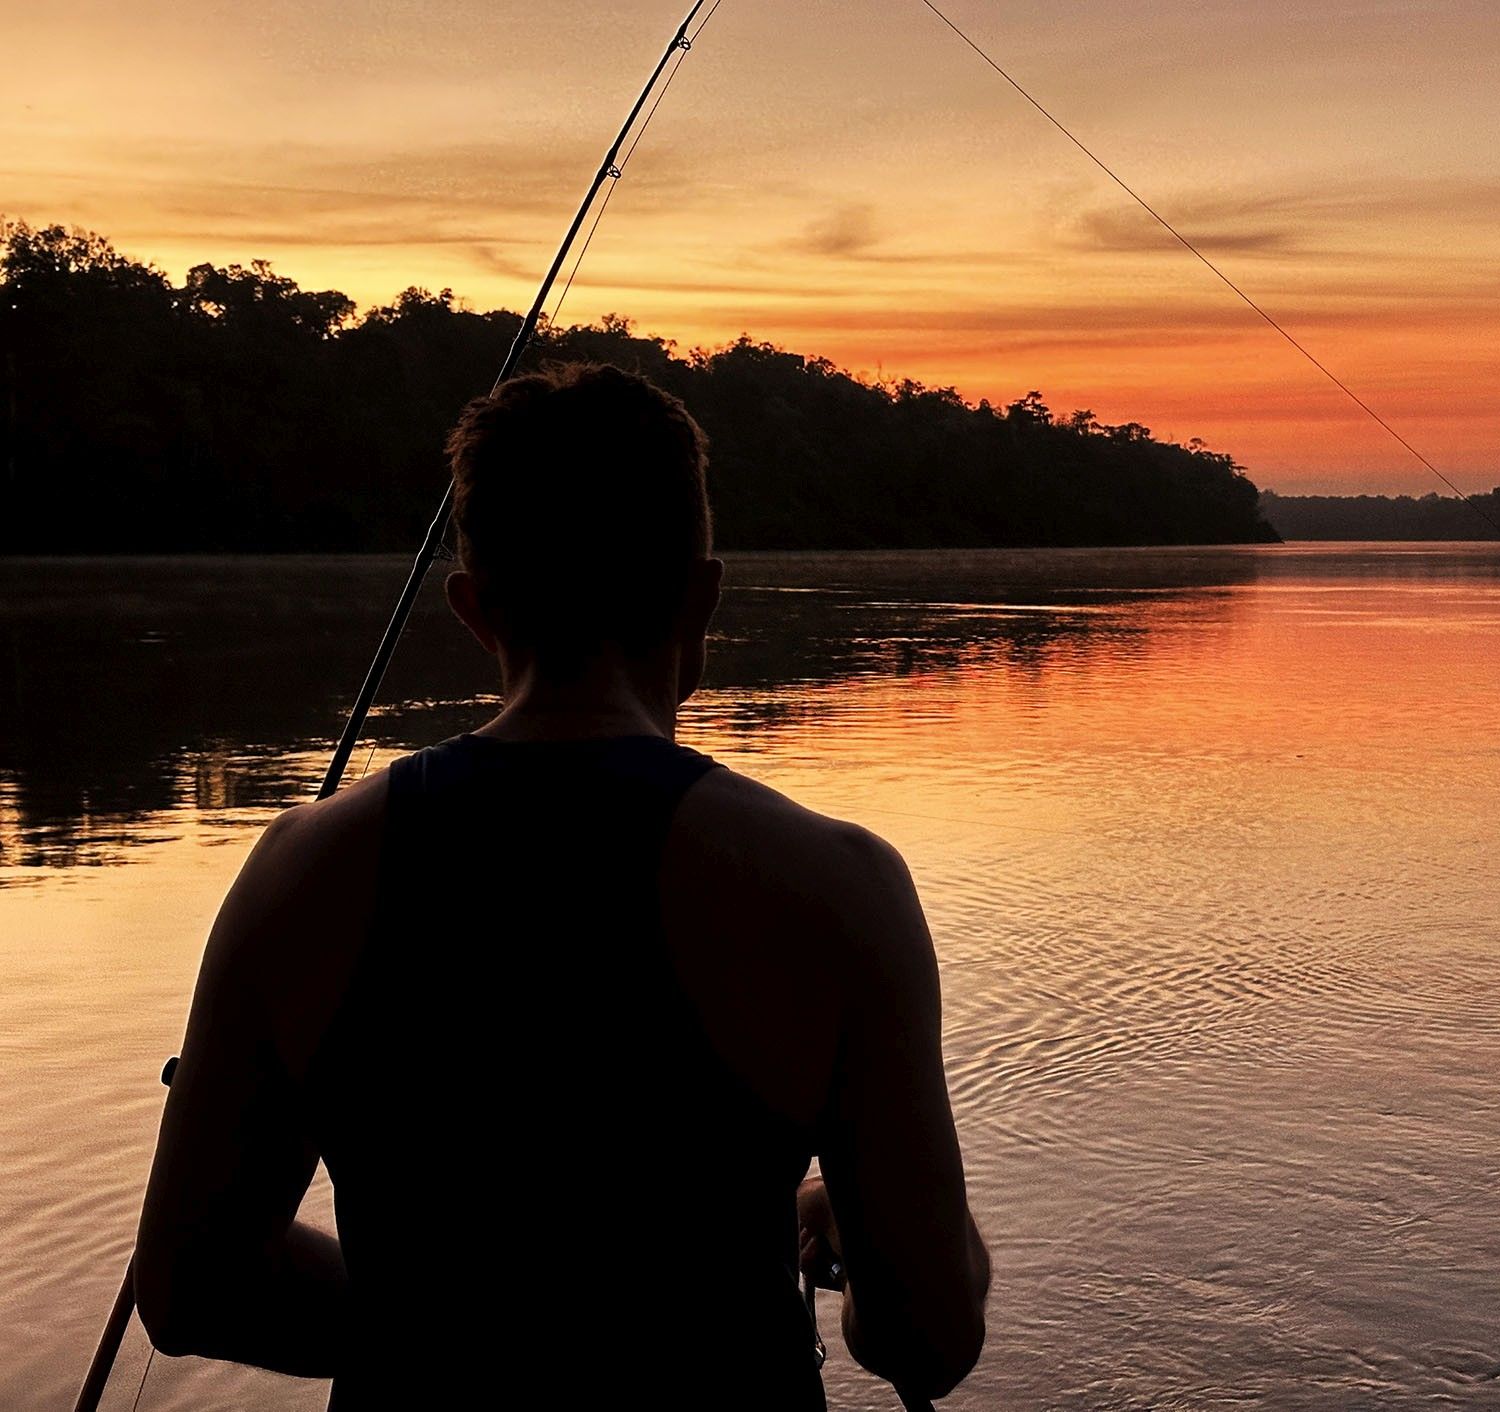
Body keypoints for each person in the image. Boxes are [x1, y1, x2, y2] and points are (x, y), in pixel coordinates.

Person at [133, 363, 990, 1408]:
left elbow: (192, 1290)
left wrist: (455, 1325)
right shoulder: (835, 885)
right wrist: (847, 1218)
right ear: (701, 595)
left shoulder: (300, 871)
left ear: (474, 607)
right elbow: (929, 1337)